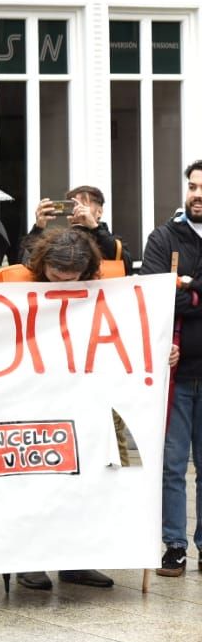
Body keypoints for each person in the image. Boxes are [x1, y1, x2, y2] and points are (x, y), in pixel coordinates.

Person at [5, 229, 116, 591]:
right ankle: (30, 560)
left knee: (84, 481)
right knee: (34, 481)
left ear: (87, 272)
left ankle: (76, 560)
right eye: (56, 279)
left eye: (73, 281)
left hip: (82, 396)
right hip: (34, 398)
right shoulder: (17, 294)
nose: (65, 288)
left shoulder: (105, 294)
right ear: (42, 268)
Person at [143, 162, 202, 578]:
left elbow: (180, 293)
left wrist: (188, 286)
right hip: (175, 372)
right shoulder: (163, 237)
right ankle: (175, 546)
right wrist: (183, 293)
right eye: (193, 187)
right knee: (173, 464)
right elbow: (156, 295)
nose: (197, 194)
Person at [20, 186, 132, 275]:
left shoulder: (110, 240)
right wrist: (38, 228)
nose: (77, 210)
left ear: (99, 212)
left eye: (83, 205)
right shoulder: (59, 240)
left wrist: (94, 227)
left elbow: (125, 265)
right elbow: (24, 264)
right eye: (71, 206)